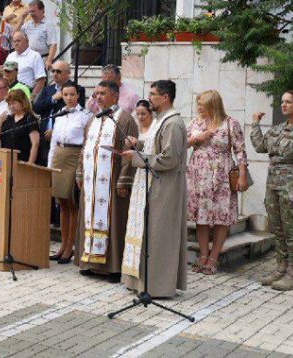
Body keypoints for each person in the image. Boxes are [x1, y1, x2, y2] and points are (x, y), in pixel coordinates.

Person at [121, 79, 187, 298]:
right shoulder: (160, 120)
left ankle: (158, 286)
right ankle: (142, 283)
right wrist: (138, 145)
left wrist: (138, 158)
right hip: (152, 183)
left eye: (153, 94)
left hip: (164, 187)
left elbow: (170, 159)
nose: (149, 98)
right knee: (147, 234)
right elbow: (155, 148)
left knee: (159, 235)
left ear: (165, 97)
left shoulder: (173, 123)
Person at [251, 89, 293, 291]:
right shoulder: (278, 129)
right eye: (282, 102)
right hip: (274, 186)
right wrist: (255, 124)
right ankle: (281, 269)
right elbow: (261, 146)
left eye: (288, 102)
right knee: (278, 229)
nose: (283, 105)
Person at [75, 80, 137, 279]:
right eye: (96, 93)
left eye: (102, 93)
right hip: (91, 182)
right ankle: (89, 262)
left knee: (113, 221)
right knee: (88, 219)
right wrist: (79, 172)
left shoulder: (125, 119)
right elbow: (84, 149)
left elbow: (129, 152)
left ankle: (113, 267)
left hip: (111, 183)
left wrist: (123, 180)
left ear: (115, 96)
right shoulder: (94, 119)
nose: (98, 97)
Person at [186, 90, 248, 275]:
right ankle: (203, 254)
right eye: (198, 105)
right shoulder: (195, 123)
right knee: (201, 218)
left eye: (202, 105)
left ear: (213, 105)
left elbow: (240, 151)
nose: (199, 108)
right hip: (199, 176)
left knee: (221, 218)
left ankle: (214, 256)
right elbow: (182, 143)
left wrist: (242, 175)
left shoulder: (230, 123)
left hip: (221, 176)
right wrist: (198, 137)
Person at [44, 82, 92, 265]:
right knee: (61, 202)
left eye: (72, 94)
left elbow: (85, 141)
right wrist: (50, 165)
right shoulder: (60, 115)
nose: (69, 98)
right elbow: (54, 141)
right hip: (59, 155)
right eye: (65, 94)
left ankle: (70, 246)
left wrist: (81, 165)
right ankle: (62, 245)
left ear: (78, 95)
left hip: (74, 156)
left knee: (71, 201)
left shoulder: (84, 116)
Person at [34, 60, 86, 164]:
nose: (55, 74)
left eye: (58, 71)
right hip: (44, 137)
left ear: (68, 73)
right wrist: (53, 98)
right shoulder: (48, 90)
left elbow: (74, 113)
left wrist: (55, 131)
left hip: (62, 139)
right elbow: (36, 108)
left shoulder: (77, 90)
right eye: (53, 71)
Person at [0, 89, 40, 164]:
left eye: (14, 103)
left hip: (22, 162)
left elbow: (35, 143)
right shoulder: (8, 119)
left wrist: (30, 164)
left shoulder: (30, 119)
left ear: (23, 102)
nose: (11, 106)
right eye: (9, 104)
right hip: (5, 161)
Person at [6, 31, 45, 98]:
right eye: (14, 41)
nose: (16, 44)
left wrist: (32, 96)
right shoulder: (10, 56)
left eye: (18, 41)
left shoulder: (35, 56)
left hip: (25, 94)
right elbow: (6, 76)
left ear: (27, 41)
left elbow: (41, 79)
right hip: (10, 93)